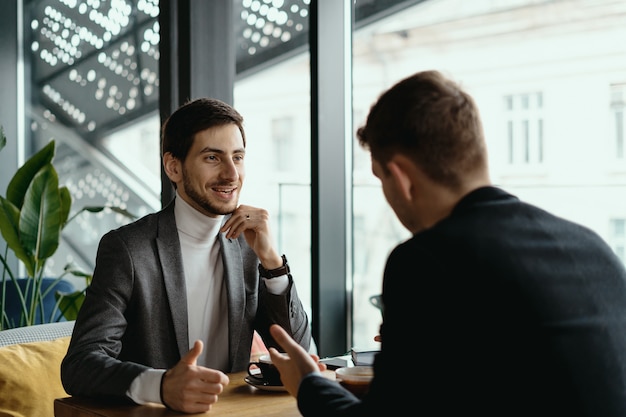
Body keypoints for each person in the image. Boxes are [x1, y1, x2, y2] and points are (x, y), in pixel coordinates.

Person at [267, 70, 626, 417]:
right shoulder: (593, 248)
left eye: (381, 179)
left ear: (402, 177)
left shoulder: (425, 260)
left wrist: (309, 384)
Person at [61, 97, 312, 413]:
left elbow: (298, 355)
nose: (231, 174)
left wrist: (273, 263)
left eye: (238, 157)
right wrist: (161, 386)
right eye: (212, 158)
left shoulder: (250, 248)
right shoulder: (128, 249)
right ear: (173, 166)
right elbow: (80, 365)